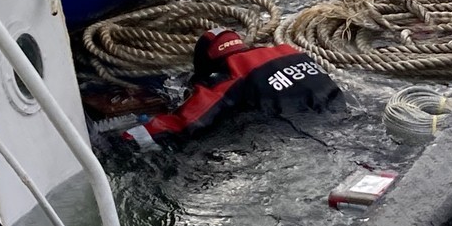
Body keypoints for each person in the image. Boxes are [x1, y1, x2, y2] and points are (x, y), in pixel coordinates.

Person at [121, 29, 339, 149]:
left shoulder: (233, 74)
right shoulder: (288, 51)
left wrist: (128, 139)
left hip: (301, 135)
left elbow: (183, 123)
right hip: (338, 110)